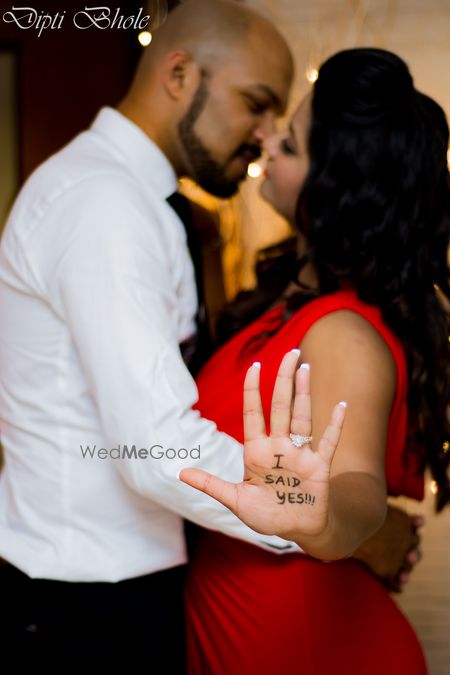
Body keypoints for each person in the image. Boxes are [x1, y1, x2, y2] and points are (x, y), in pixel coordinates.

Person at [0, 2, 304, 672]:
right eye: (255, 104)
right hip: (83, 605)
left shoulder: (133, 197)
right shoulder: (102, 202)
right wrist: (318, 514)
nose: (264, 136)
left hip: (107, 590)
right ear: (179, 74)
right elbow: (158, 447)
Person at [179, 48, 450, 674]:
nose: (268, 144)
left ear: (334, 191)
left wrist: (319, 515)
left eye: (291, 144)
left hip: (307, 643)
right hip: (247, 625)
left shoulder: (343, 333)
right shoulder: (283, 306)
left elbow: (356, 487)